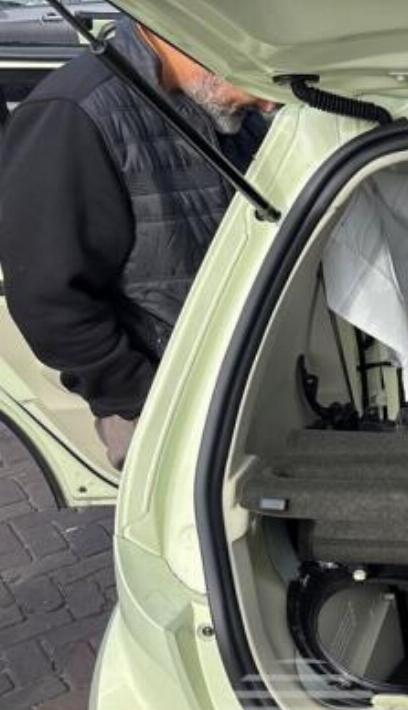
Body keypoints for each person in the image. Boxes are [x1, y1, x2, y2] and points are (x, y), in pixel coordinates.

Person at [0, 20, 276, 468]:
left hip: (237, 388)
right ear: (205, 41)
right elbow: (48, 298)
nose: (267, 103)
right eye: (257, 83)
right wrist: (145, 400)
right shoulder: (74, 113)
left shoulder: (223, 109)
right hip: (163, 409)